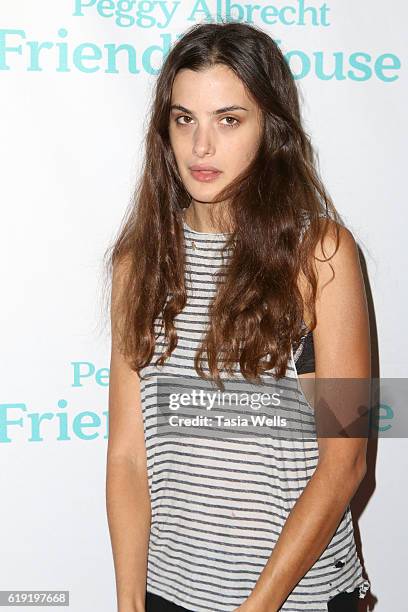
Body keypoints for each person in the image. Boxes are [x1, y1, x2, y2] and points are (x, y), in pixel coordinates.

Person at [105, 21, 371, 612]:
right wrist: (129, 604)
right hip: (169, 594)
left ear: (269, 129)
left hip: (295, 599)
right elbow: (126, 457)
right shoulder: (138, 262)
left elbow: (347, 459)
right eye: (184, 119)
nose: (201, 147)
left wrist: (257, 607)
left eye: (229, 120)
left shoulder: (321, 255)